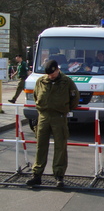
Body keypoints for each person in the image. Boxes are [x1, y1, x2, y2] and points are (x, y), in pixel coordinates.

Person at [26, 60, 79, 188]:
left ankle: (59, 176)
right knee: (40, 146)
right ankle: (36, 175)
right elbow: (36, 96)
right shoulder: (41, 81)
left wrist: (65, 109)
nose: (50, 76)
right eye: (49, 75)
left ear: (57, 70)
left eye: (52, 74)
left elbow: (74, 98)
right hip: (43, 116)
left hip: (59, 117)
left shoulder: (67, 82)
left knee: (60, 147)